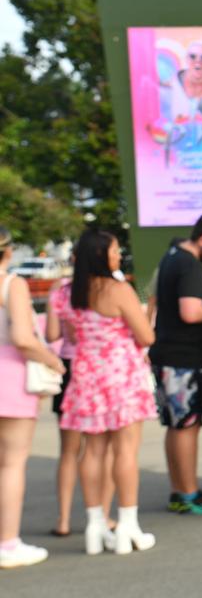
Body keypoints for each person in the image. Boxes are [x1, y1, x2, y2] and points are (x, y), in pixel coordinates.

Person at [58, 229, 158, 554]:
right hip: (122, 375)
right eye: (115, 250)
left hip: (86, 376)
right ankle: (129, 526)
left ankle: (94, 526)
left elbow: (70, 336)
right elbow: (146, 337)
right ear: (102, 254)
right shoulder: (118, 289)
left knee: (92, 451)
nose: (118, 255)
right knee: (126, 451)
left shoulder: (69, 292)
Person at [150, 212, 202, 515]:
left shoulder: (171, 257)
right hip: (183, 358)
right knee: (187, 425)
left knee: (176, 426)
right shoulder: (189, 266)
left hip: (169, 355)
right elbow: (191, 312)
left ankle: (180, 490)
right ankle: (188, 493)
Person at [0, 227, 64, 568]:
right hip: (9, 381)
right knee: (10, 464)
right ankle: (7, 544)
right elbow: (23, 337)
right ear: (8, 252)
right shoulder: (12, 284)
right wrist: (52, 360)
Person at [46, 272, 117, 539]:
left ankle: (63, 519)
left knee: (68, 451)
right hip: (98, 367)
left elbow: (52, 333)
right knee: (102, 449)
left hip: (68, 366)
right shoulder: (108, 286)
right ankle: (103, 516)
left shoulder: (60, 287)